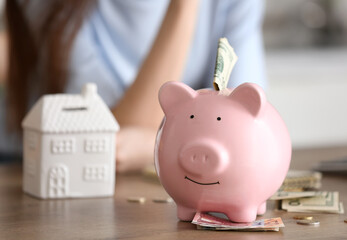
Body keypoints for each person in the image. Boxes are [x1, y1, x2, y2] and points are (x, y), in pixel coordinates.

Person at [1, 0, 266, 171]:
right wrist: (185, 6)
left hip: (165, 184)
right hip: (30, 172)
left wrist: (156, 145)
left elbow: (248, 131)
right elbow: (110, 140)